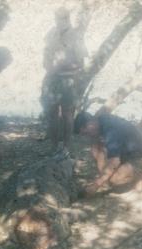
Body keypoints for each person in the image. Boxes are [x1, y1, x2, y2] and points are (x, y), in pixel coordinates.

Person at [74, 111, 142, 195]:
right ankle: (109, 177)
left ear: (90, 124)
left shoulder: (111, 130)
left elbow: (114, 162)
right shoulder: (101, 120)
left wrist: (95, 185)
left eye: (86, 133)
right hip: (126, 152)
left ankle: (139, 174)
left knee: (113, 179)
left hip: (141, 156)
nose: (87, 136)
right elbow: (99, 147)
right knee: (95, 148)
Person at [42, 7, 88, 151]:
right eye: (57, 18)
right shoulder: (51, 33)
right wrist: (48, 65)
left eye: (62, 18)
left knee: (68, 114)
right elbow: (45, 53)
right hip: (51, 78)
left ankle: (67, 149)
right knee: (51, 113)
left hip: (68, 80)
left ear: (68, 19)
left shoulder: (76, 36)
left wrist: (65, 67)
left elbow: (81, 64)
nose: (59, 21)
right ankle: (54, 147)